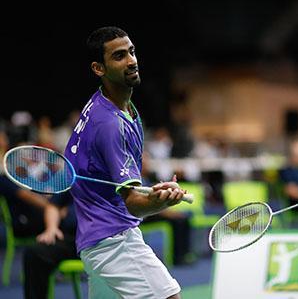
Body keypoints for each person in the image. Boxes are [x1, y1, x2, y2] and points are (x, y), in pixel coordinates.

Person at [64, 26, 185, 298]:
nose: (131, 60)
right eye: (119, 56)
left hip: (95, 242)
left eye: (131, 52)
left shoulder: (111, 106)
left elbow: (112, 183)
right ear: (99, 68)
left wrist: (153, 192)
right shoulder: (109, 123)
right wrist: (163, 202)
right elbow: (133, 206)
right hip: (114, 241)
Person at [23, 191, 78, 299]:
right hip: (72, 239)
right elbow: (53, 205)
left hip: (103, 240)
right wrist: (51, 228)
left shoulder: (114, 177)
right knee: (34, 253)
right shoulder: (72, 177)